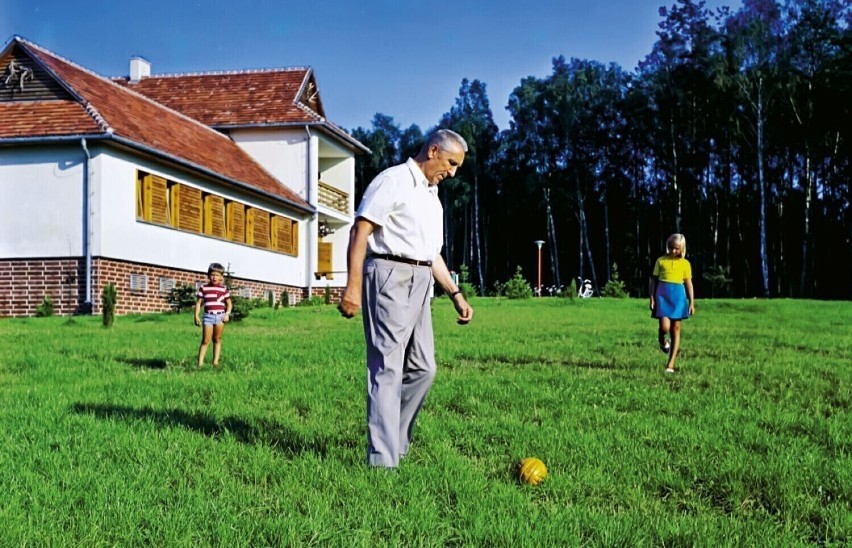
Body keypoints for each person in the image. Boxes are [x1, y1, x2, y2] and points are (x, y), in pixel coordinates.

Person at [338, 129, 474, 468]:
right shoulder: (394, 180)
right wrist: (352, 286)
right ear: (433, 151)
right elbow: (361, 230)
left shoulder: (431, 196)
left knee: (424, 368)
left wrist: (455, 293)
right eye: (451, 163)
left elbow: (431, 254)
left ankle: (394, 441)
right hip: (389, 275)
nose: (453, 172)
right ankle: (383, 461)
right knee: (387, 368)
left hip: (422, 281)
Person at [649, 233, 695, 373]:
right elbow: (654, 280)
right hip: (662, 295)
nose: (673, 251)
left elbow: (688, 283)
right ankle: (662, 340)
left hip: (679, 297)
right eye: (671, 248)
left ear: (682, 248)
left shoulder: (685, 264)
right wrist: (652, 297)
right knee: (664, 327)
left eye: (676, 248)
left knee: (675, 329)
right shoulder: (661, 261)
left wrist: (691, 302)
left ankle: (670, 364)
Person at [194, 262, 232, 369]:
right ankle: (200, 364)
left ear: (221, 277)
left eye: (217, 275)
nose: (214, 277)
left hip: (220, 317)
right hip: (208, 317)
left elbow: (229, 304)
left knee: (217, 339)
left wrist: (227, 314)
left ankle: (215, 362)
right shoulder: (204, 288)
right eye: (212, 275)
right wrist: (196, 316)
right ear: (208, 275)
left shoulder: (223, 289)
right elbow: (198, 303)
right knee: (206, 340)